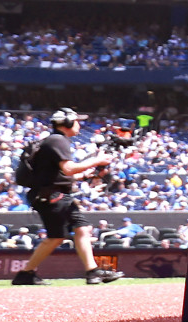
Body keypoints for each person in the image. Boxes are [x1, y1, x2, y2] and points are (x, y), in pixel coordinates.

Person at [10, 109, 124, 285]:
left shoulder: (53, 140)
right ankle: (90, 272)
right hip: (52, 196)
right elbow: (69, 169)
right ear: (68, 123)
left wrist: (88, 175)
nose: (79, 124)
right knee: (63, 235)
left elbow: (61, 175)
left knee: (75, 231)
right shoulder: (58, 140)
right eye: (77, 121)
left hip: (50, 194)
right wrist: (97, 160)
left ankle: (90, 272)